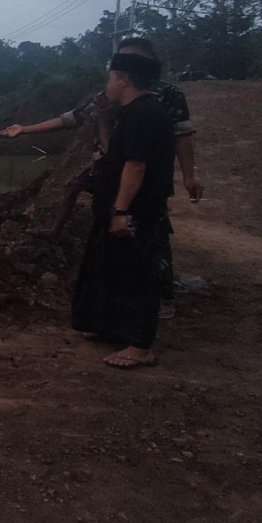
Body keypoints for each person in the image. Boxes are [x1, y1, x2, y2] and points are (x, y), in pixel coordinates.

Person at [0, 38, 202, 319]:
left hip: (140, 177)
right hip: (107, 169)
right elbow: (70, 119)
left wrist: (189, 176)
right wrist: (25, 129)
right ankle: (105, 293)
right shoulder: (108, 95)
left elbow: (181, 137)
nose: (115, 72)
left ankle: (160, 296)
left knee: (150, 233)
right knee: (86, 202)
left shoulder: (165, 97)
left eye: (123, 63)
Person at [72, 51, 175, 368]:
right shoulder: (132, 111)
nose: (108, 85)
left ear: (124, 79)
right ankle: (113, 328)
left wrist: (120, 211)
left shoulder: (143, 114)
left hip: (136, 210)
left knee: (137, 274)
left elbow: (136, 166)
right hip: (121, 206)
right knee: (115, 269)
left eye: (110, 78)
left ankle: (140, 346)